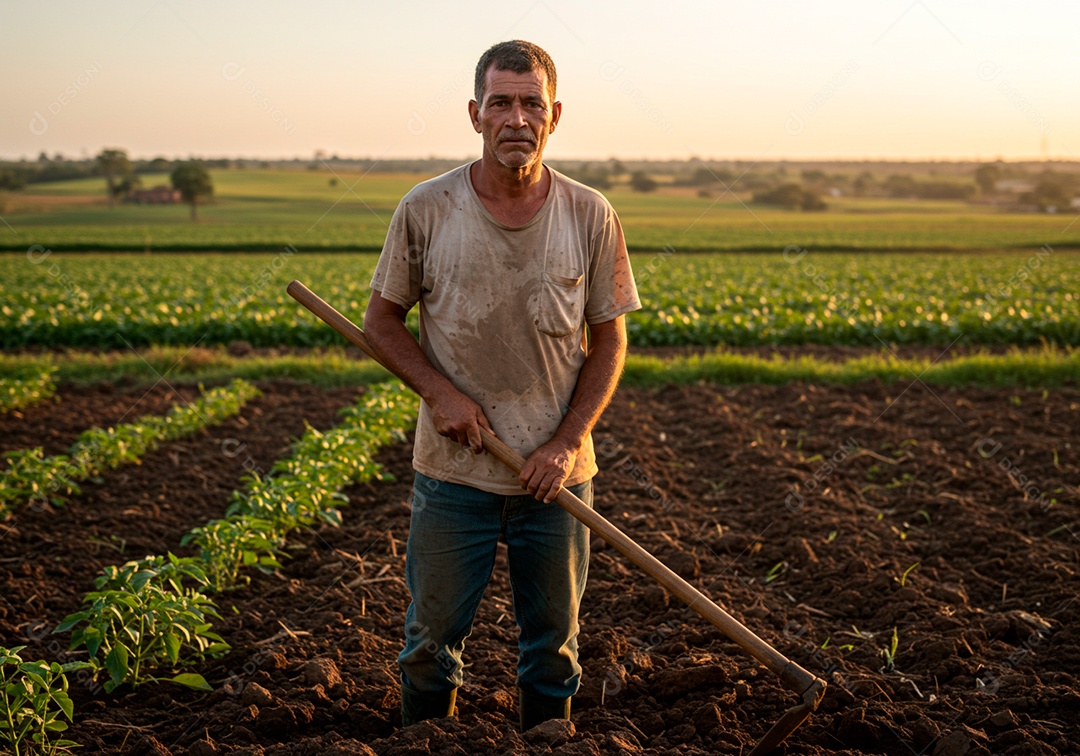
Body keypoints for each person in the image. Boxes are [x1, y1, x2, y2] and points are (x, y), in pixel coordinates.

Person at [363, 39, 640, 732]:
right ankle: (426, 741)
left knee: (552, 653)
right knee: (430, 649)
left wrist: (567, 442)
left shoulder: (590, 214)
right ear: (475, 114)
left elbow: (609, 339)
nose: (516, 118)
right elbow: (382, 322)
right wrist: (439, 393)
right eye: (500, 103)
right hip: (455, 477)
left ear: (554, 116)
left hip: (557, 480)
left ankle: (548, 742)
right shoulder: (427, 209)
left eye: (530, 104)